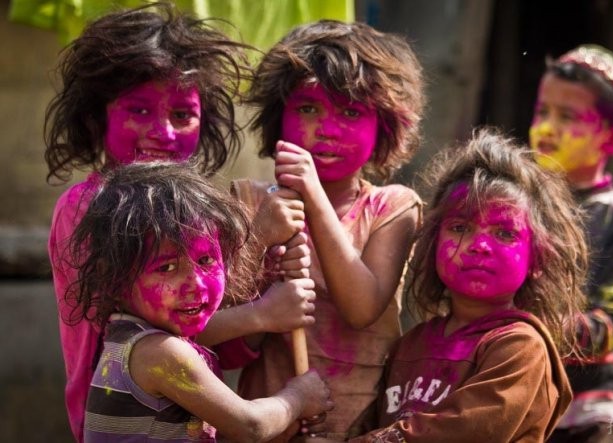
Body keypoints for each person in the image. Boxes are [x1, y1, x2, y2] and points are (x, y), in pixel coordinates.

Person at [44, 3, 314, 441]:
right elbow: (151, 329)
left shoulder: (192, 212)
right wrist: (260, 292)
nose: (164, 133)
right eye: (140, 110)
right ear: (97, 118)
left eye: (182, 115)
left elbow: (209, 333)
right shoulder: (89, 208)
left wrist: (263, 271)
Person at [233, 19, 426, 440]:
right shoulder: (248, 203)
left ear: (385, 128)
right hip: (266, 420)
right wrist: (261, 247)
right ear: (276, 117)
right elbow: (219, 332)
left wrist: (313, 197)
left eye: (352, 112)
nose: (327, 127)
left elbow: (362, 307)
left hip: (359, 424)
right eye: (307, 108)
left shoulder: (392, 207)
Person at [336, 128, 587, 442]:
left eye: (505, 233)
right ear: (431, 244)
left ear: (537, 259)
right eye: (460, 227)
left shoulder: (519, 347)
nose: (479, 245)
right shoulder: (411, 344)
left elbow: (459, 433)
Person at [67, 161, 333, 442]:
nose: (196, 284)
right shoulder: (159, 353)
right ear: (115, 280)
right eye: (166, 268)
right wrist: (298, 399)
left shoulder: (137, 337)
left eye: (206, 260)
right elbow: (249, 426)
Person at [529, 44, 613, 442]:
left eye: (568, 117)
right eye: (542, 112)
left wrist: (524, 327)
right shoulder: (514, 204)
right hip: (519, 401)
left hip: (587, 417)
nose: (547, 127)